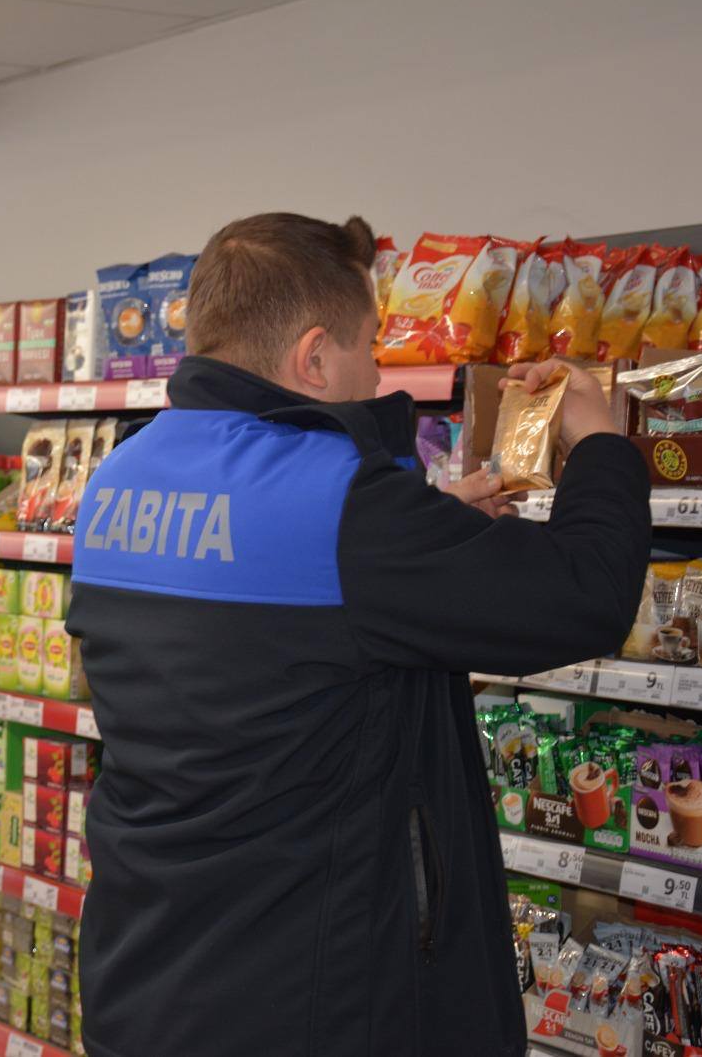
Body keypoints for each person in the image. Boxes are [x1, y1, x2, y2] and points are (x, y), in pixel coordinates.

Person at [67, 213, 651, 1057]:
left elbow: (253, 626)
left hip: (150, 979)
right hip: (313, 1004)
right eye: (369, 345)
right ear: (312, 356)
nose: (378, 370)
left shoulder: (118, 480)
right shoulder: (343, 508)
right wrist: (601, 442)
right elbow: (584, 595)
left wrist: (419, 542)